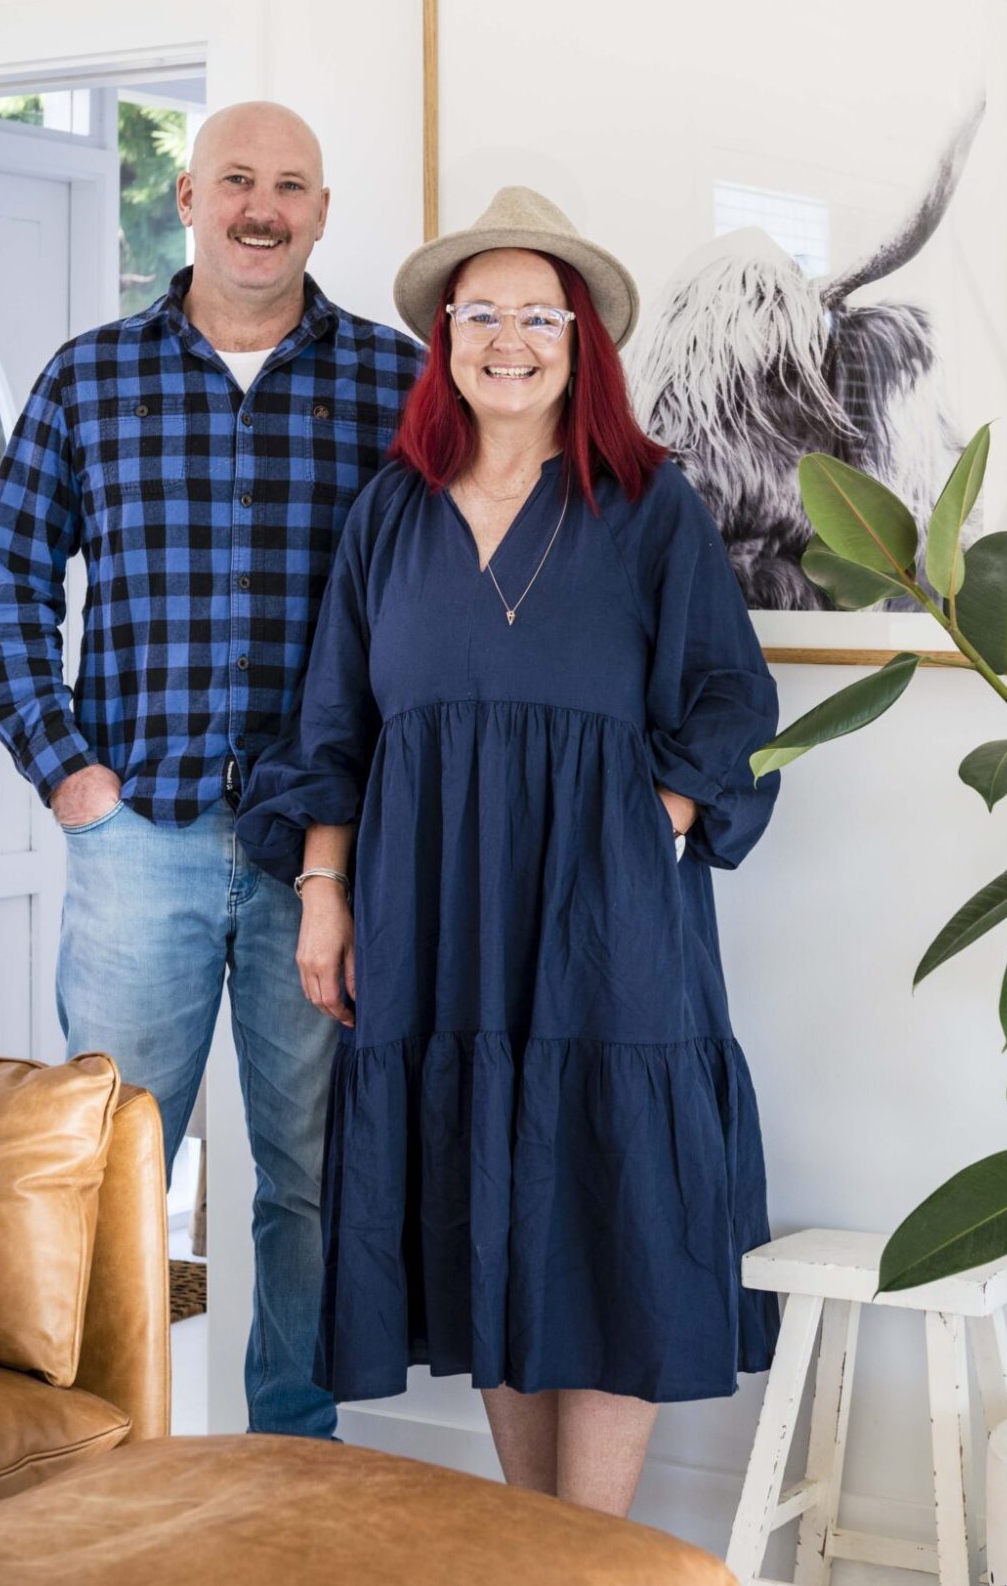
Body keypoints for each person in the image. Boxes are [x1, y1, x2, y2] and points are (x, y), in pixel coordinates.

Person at [237, 185, 780, 1513]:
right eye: (482, 314)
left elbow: (729, 699)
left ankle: (589, 1564)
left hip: (606, 922)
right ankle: (539, 1563)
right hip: (434, 910)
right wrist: (324, 890)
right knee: (484, 1198)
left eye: (542, 315)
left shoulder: (651, 508)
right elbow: (334, 723)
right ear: (447, 340)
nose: (511, 340)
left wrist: (643, 823)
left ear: (582, 340)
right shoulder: (392, 514)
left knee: (607, 1210)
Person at [0, 101, 422, 1439]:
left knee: (308, 1178)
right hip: (139, 844)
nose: (261, 207)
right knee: (108, 1177)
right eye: (238, 180)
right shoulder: (91, 379)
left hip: (320, 858)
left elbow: (448, 589)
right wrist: (70, 780)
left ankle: (293, 1457)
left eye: (290, 185)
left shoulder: (395, 387)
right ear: (187, 196)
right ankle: (103, 1454)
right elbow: (3, 586)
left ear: (324, 212)